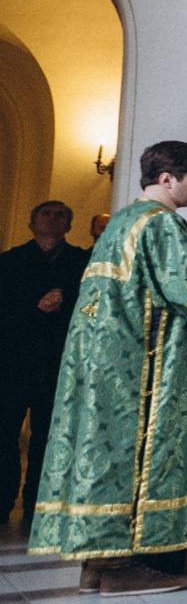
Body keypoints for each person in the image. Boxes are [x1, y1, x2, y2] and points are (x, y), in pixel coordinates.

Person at [29, 142, 187, 593]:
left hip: (105, 359)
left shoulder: (123, 219)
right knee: (142, 456)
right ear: (167, 180)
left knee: (112, 457)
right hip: (144, 363)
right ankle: (127, 569)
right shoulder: (161, 222)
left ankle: (99, 564)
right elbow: (186, 287)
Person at [1, 201, 86, 523]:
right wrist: (35, 309)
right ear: (31, 223)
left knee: (50, 437)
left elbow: (92, 311)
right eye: (45, 213)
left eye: (61, 214)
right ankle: (2, 502)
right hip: (13, 361)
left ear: (69, 225)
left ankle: (39, 505)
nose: (53, 219)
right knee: (5, 435)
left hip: (60, 362)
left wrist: (63, 308)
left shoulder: (82, 261)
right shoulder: (9, 261)